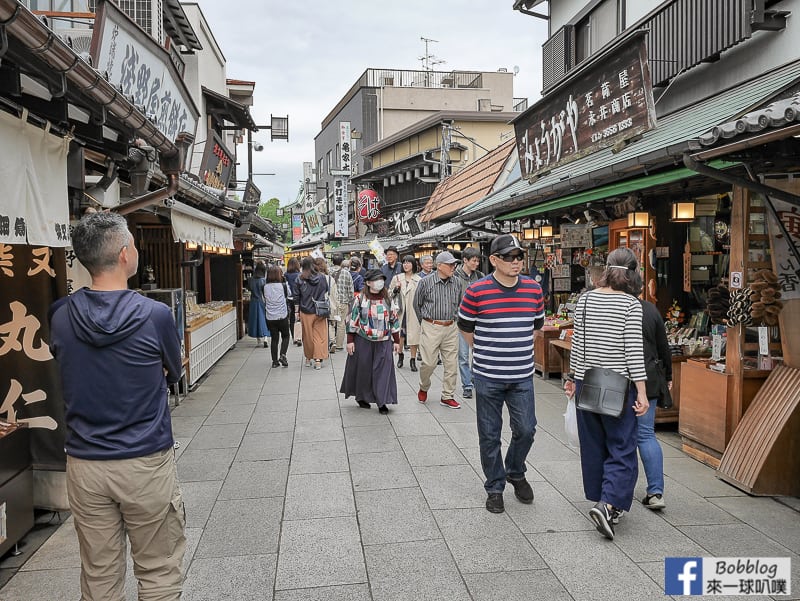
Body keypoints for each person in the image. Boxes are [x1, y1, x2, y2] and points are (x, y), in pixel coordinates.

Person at [49, 211, 185, 600]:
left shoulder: (60, 315)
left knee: (99, 574)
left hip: (85, 463)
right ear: (125, 253)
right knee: (158, 569)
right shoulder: (155, 315)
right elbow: (173, 372)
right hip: (145, 459)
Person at [564, 247, 649, 541]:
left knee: (594, 445)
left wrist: (572, 378)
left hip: (587, 382)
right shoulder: (631, 305)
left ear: (608, 269)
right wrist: (642, 391)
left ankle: (603, 500)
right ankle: (608, 503)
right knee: (622, 447)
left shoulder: (586, 299)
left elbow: (579, 343)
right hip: (618, 386)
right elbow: (633, 351)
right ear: (633, 272)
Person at [458, 234, 545, 514]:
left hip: (521, 375)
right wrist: (484, 351)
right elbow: (465, 327)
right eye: (509, 257)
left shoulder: (533, 289)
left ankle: (515, 471)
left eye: (519, 256)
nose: (516, 262)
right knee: (489, 434)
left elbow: (536, 326)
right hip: (487, 375)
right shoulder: (477, 291)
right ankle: (495, 486)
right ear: (494, 260)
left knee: (527, 429)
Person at [340, 270, 402, 414]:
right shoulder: (361, 299)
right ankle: (361, 396)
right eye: (376, 279)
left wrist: (397, 341)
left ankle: (382, 401)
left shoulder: (388, 299)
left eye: (381, 279)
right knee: (364, 370)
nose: (379, 282)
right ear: (368, 283)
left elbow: (394, 320)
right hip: (364, 340)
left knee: (383, 370)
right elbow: (353, 319)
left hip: (384, 340)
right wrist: (350, 340)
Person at [413, 250, 463, 409]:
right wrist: (425, 323)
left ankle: (447, 396)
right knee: (428, 363)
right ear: (439, 266)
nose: (453, 267)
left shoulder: (457, 282)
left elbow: (460, 302)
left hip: (451, 326)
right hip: (431, 325)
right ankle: (424, 386)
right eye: (450, 264)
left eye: (454, 264)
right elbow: (417, 304)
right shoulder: (425, 282)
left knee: (451, 364)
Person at [638, 296, 671, 510]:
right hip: (649, 377)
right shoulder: (650, 309)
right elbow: (663, 347)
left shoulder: (609, 305)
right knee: (646, 434)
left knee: (618, 437)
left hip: (615, 381)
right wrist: (667, 375)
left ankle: (615, 494)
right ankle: (656, 492)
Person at [454, 247, 484, 399]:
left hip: (479, 321)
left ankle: (474, 378)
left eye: (478, 261)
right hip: (462, 322)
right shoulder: (454, 277)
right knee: (463, 355)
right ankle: (467, 385)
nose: (476, 263)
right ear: (465, 260)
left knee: (478, 353)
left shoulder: (480, 276)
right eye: (474, 260)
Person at [293, 257, 330, 369]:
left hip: (306, 311)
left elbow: (296, 297)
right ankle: (318, 360)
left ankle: (308, 358)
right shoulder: (322, 277)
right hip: (320, 311)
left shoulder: (299, 279)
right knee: (319, 335)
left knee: (307, 336)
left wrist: (296, 311)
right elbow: (326, 290)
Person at [390, 255, 422, 371]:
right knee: (400, 336)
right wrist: (395, 289)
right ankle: (400, 355)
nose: (406, 265)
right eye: (404, 262)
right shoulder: (397, 278)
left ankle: (413, 359)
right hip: (400, 312)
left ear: (413, 265)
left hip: (413, 312)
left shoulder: (419, 280)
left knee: (414, 336)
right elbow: (389, 295)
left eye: (409, 262)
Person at [264, 265, 291, 368]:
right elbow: (289, 294)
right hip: (282, 315)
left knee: (274, 339)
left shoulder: (265, 287)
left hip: (270, 317)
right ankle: (283, 354)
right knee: (286, 336)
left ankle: (275, 361)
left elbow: (264, 300)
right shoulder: (283, 285)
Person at [314, 256, 340, 353]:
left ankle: (323, 343)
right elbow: (335, 294)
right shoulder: (330, 279)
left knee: (320, 326)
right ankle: (332, 341)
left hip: (318, 305)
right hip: (330, 304)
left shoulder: (314, 278)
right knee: (331, 324)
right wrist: (336, 307)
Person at [330, 253, 355, 350]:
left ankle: (332, 342)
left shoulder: (328, 272)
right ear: (341, 262)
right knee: (341, 324)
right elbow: (351, 289)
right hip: (343, 302)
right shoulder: (346, 273)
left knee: (331, 323)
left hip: (331, 302)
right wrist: (350, 300)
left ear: (332, 261)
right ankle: (339, 345)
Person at [247, 261, 269, 347]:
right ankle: (266, 338)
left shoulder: (251, 280)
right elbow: (265, 293)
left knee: (255, 320)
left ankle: (258, 339)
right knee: (264, 319)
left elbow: (249, 289)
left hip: (253, 301)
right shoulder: (263, 280)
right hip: (262, 301)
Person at [285, 257, 302, 346]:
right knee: (299, 317)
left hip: (289, 299)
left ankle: (294, 337)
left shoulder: (285, 275)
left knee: (292, 318)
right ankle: (299, 336)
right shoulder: (300, 275)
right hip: (299, 299)